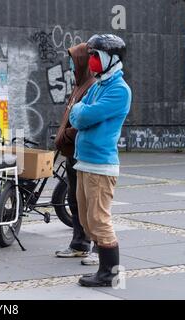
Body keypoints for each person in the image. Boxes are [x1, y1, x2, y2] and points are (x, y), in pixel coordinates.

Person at [69, 34, 132, 287]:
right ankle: (104, 269)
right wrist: (79, 111)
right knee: (86, 220)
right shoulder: (97, 85)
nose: (92, 60)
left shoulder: (119, 90)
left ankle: (110, 274)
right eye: (91, 55)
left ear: (110, 58)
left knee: (99, 219)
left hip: (100, 165)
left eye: (96, 56)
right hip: (84, 161)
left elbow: (82, 116)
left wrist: (79, 111)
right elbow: (77, 108)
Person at [54, 43, 99, 266]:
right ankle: (79, 243)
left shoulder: (91, 86)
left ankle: (99, 247)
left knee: (93, 204)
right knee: (75, 200)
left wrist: (66, 136)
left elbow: (84, 122)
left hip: (83, 154)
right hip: (71, 153)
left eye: (73, 60)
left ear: (81, 61)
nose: (70, 65)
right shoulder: (79, 85)